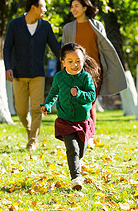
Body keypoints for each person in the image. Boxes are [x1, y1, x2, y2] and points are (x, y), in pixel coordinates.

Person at [3, 0, 61, 151]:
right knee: (21, 111)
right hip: (18, 74)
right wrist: (8, 67)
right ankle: (31, 133)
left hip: (37, 74)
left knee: (37, 109)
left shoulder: (45, 26)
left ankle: (33, 140)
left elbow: (55, 47)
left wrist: (67, 61)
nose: (45, 10)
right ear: (33, 8)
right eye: (43, 6)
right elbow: (7, 47)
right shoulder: (15, 24)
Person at [41, 43, 100, 190]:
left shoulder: (86, 77)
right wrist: (47, 105)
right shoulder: (59, 77)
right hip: (65, 120)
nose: (75, 64)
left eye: (78, 61)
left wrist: (79, 93)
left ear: (83, 61)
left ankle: (76, 163)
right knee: (72, 149)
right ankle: (76, 179)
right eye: (70, 61)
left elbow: (92, 96)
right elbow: (54, 93)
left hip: (82, 121)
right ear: (63, 62)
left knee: (80, 151)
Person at [62, 0, 127, 126]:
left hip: (94, 70)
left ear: (84, 8)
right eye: (72, 7)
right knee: (76, 101)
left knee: (90, 102)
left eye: (76, 6)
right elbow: (64, 51)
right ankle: (79, 131)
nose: (73, 9)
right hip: (75, 70)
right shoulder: (68, 28)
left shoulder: (97, 25)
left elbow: (104, 48)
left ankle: (89, 135)